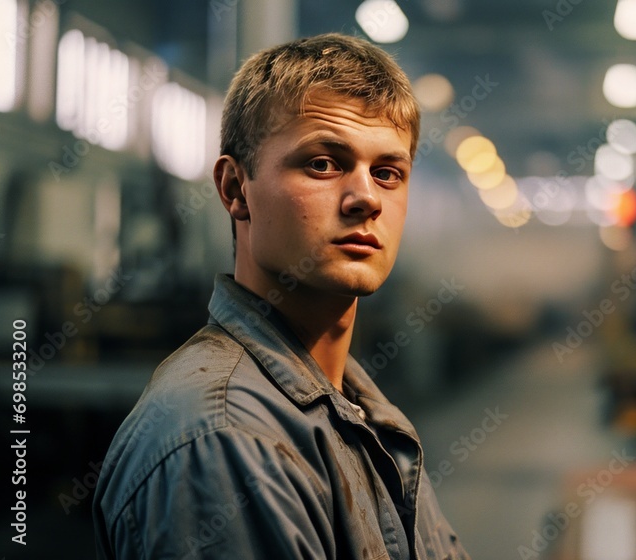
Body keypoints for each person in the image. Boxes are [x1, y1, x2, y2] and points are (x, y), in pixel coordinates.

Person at [93, 33, 470, 559]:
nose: (366, 198)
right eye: (322, 163)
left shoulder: (359, 412)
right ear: (234, 189)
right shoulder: (223, 441)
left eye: (388, 173)